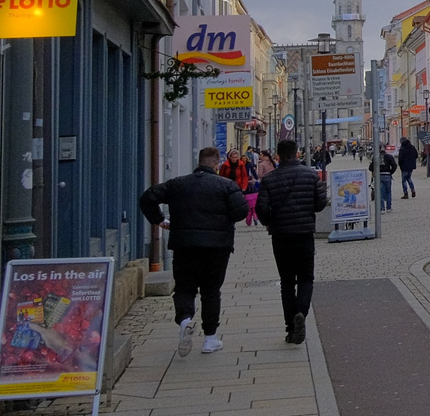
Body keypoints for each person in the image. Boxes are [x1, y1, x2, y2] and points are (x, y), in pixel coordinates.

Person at [139, 147, 248, 357]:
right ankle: (210, 339)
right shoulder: (226, 186)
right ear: (216, 164)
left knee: (184, 288)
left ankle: (185, 320)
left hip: (184, 245)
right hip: (217, 247)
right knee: (211, 291)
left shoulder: (177, 184)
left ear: (198, 162)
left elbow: (148, 198)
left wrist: (160, 220)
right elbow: (241, 210)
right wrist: (223, 220)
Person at [255, 138, 328, 344]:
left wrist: (269, 221)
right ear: (297, 153)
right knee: (306, 278)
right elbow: (320, 203)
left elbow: (261, 208)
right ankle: (301, 314)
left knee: (287, 282)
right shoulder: (311, 175)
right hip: (304, 234)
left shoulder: (269, 180)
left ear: (278, 156)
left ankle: (290, 327)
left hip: (280, 236)